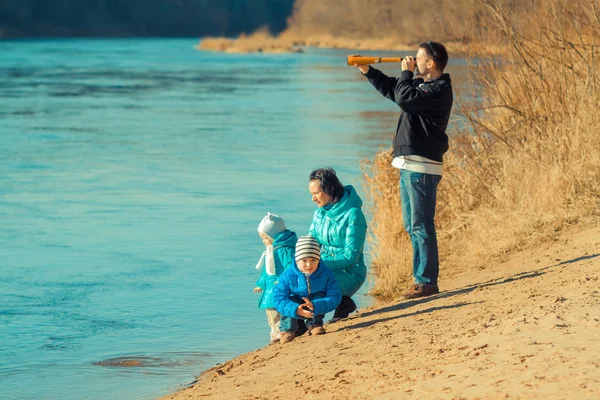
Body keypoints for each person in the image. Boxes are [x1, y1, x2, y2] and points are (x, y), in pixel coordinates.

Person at [353, 41, 453, 299]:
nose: (413, 61)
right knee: (412, 225)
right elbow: (394, 90)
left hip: (422, 166)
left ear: (430, 63)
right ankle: (421, 280)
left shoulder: (440, 90)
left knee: (421, 225)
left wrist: (406, 73)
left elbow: (404, 97)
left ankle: (427, 282)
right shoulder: (423, 86)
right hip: (410, 164)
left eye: (418, 58)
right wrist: (368, 71)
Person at [308, 167, 367, 321]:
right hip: (324, 267)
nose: (313, 199)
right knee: (294, 277)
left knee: (315, 279)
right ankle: (292, 325)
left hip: (351, 273)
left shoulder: (353, 214)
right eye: (311, 194)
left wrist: (319, 265)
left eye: (316, 193)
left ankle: (314, 322)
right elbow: (310, 244)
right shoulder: (319, 213)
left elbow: (351, 257)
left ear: (330, 189)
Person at [273, 235, 342, 344]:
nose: (309, 264)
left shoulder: (327, 274)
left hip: (314, 304)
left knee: (319, 296)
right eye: (304, 260)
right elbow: (278, 298)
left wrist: (316, 305)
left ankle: (315, 324)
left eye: (313, 260)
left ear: (319, 259)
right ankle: (287, 330)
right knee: (289, 300)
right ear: (297, 260)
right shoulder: (287, 275)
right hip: (296, 304)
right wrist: (295, 309)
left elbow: (335, 296)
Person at [254, 213, 298, 344]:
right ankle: (275, 333)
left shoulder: (284, 250)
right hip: (270, 287)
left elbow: (290, 267)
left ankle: (280, 333)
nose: (264, 241)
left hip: (280, 286)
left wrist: (284, 280)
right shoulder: (272, 250)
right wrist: (260, 284)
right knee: (271, 313)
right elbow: (266, 271)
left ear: (274, 236)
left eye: (265, 238)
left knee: (279, 310)